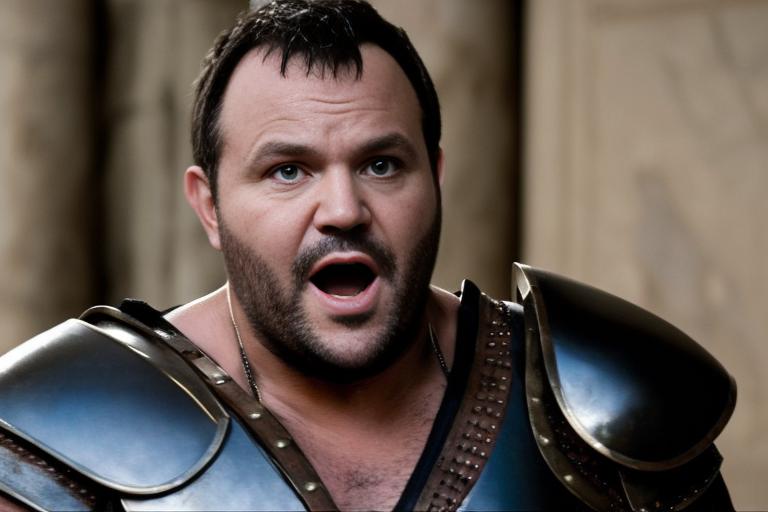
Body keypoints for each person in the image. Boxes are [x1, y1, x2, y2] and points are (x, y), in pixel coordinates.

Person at [0, 1, 737, 510]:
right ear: (210, 206)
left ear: (435, 178)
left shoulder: (604, 401)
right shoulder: (55, 430)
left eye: (382, 165)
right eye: (288, 170)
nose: (345, 210)